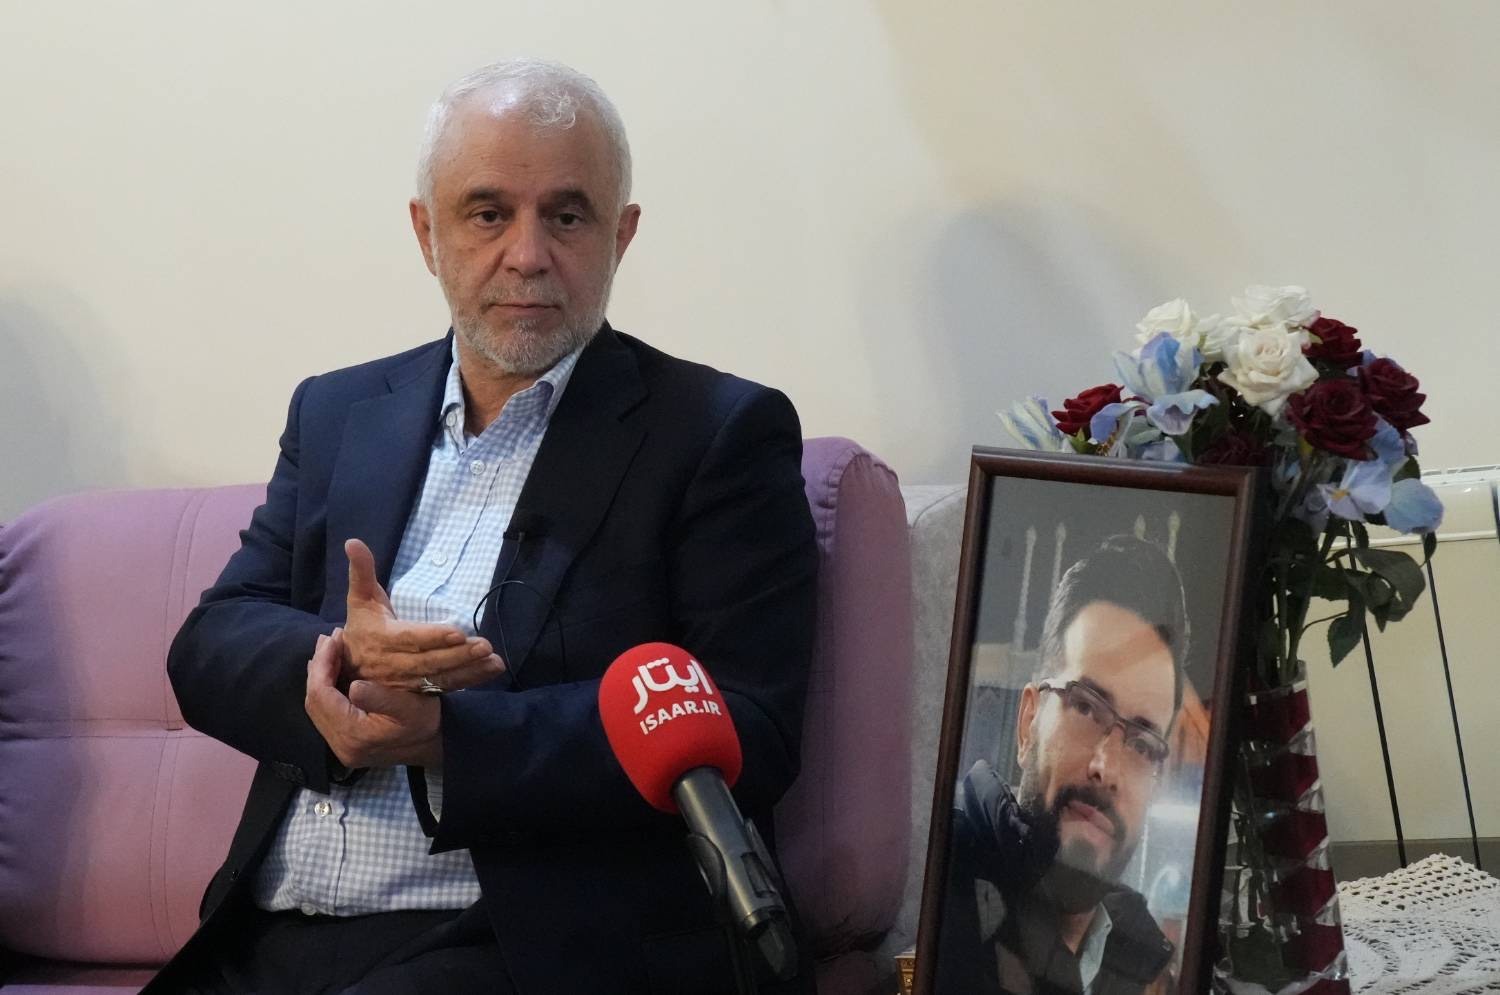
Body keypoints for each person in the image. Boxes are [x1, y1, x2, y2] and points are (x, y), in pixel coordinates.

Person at [147, 58, 817, 995]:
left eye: (568, 216)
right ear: (428, 233)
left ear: (621, 235)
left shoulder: (717, 433)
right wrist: (340, 664)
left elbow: (748, 724)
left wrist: (448, 736)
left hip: (515, 944)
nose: (528, 253)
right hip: (264, 933)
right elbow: (213, 640)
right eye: (488, 213)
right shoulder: (337, 412)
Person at [938, 536, 1185, 995]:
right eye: (1086, 707)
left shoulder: (1146, 965)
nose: (1106, 768)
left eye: (1142, 744)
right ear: (1028, 721)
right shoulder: (941, 892)